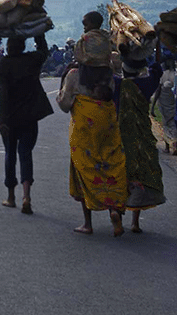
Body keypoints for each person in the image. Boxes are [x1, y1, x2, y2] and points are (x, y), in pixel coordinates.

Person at [59, 15, 126, 237]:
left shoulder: (74, 75)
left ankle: (88, 223)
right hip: (106, 122)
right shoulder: (109, 75)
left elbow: (65, 104)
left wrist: (61, 96)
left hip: (83, 128)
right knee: (110, 163)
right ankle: (115, 209)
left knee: (84, 168)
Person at [0, 34, 52, 215]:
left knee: (10, 154)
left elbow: (2, 95)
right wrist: (39, 34)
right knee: (26, 153)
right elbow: (43, 51)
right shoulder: (31, 60)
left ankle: (11, 197)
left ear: (9, 47)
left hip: (10, 119)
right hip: (29, 116)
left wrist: (1, 120)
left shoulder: (2, 66)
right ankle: (27, 195)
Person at [114, 49, 166, 233]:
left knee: (120, 173)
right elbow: (157, 69)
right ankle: (135, 221)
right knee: (140, 174)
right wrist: (152, 50)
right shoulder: (146, 83)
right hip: (141, 135)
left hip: (119, 134)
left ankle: (117, 214)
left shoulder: (116, 83)